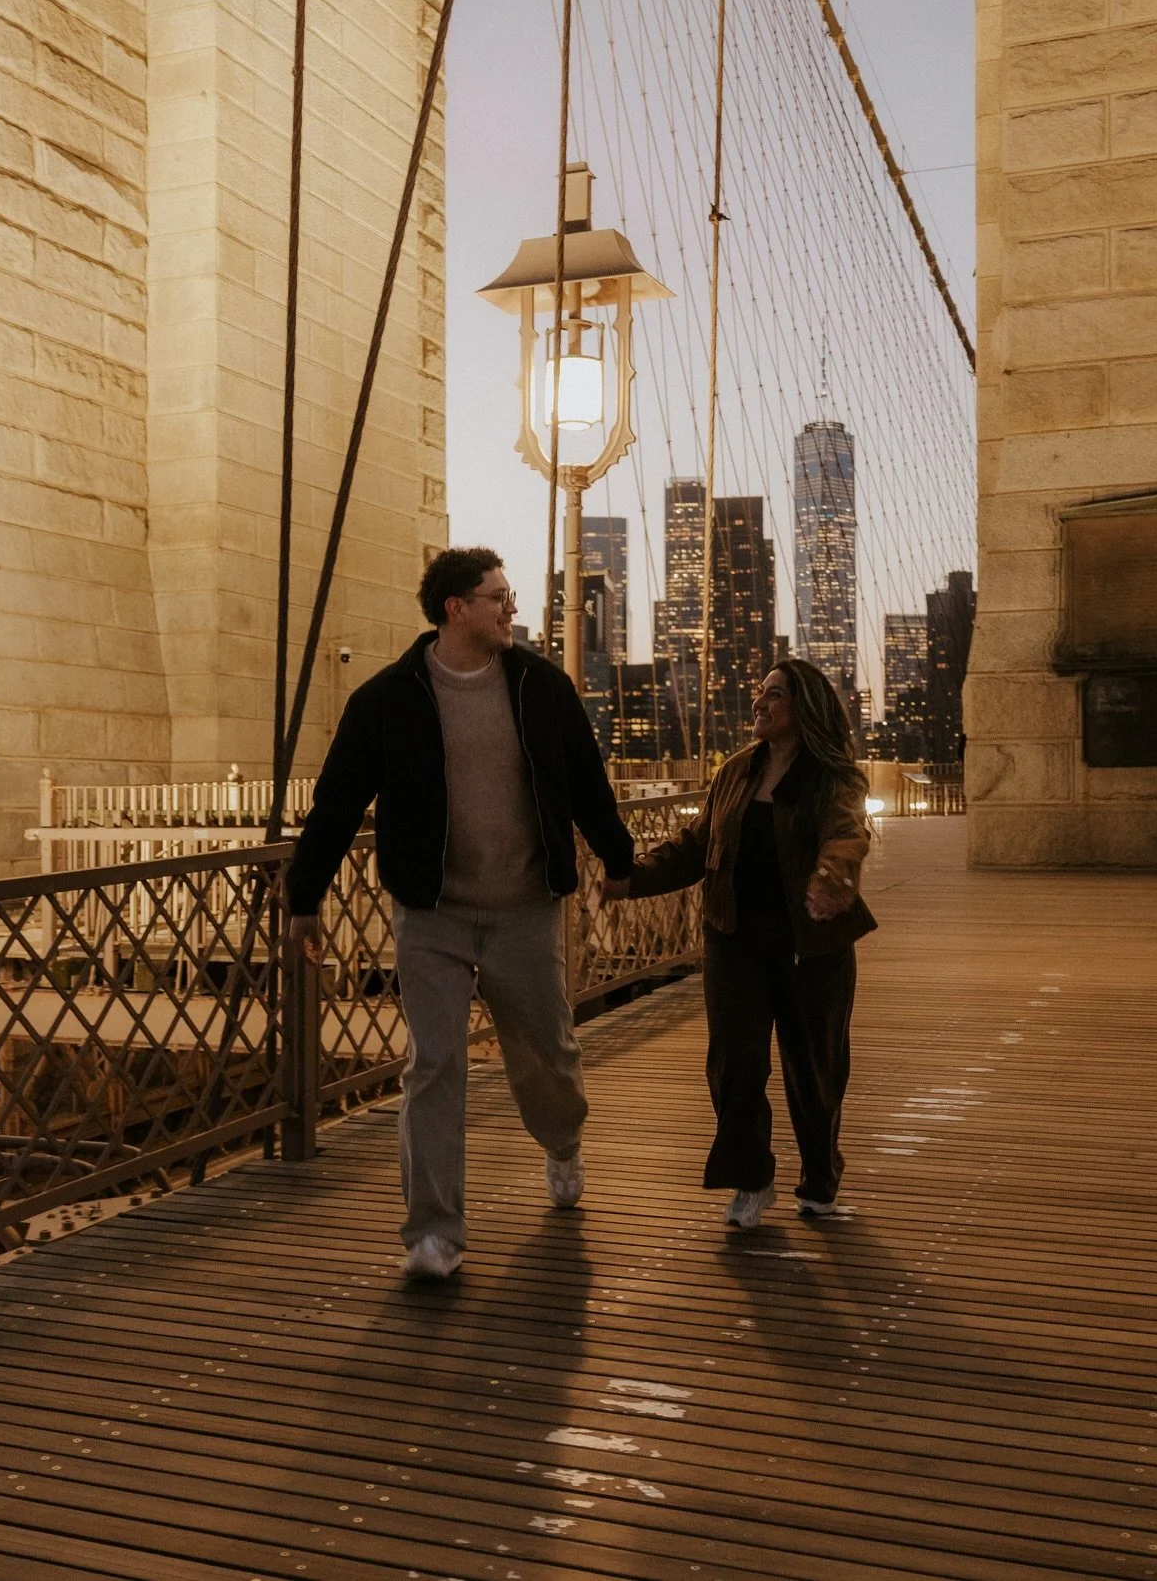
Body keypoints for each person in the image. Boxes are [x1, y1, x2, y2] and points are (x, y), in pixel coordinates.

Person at [285, 547, 634, 1279]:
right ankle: (434, 1233)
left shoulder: (541, 687)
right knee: (434, 1064)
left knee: (547, 1056)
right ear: (457, 609)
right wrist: (304, 898)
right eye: (498, 597)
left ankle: (562, 1143)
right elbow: (336, 803)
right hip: (432, 912)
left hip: (525, 909)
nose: (512, 608)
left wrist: (620, 861)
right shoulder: (386, 700)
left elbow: (585, 782)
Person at [602, 659, 874, 1230]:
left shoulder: (833, 778)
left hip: (811, 945)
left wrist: (831, 881)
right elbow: (696, 845)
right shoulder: (736, 771)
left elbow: (848, 833)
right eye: (759, 691)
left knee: (816, 1071)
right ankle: (751, 1179)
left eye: (774, 695)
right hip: (734, 939)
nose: (759, 702)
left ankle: (819, 1178)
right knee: (735, 1064)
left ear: (803, 708)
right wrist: (631, 879)